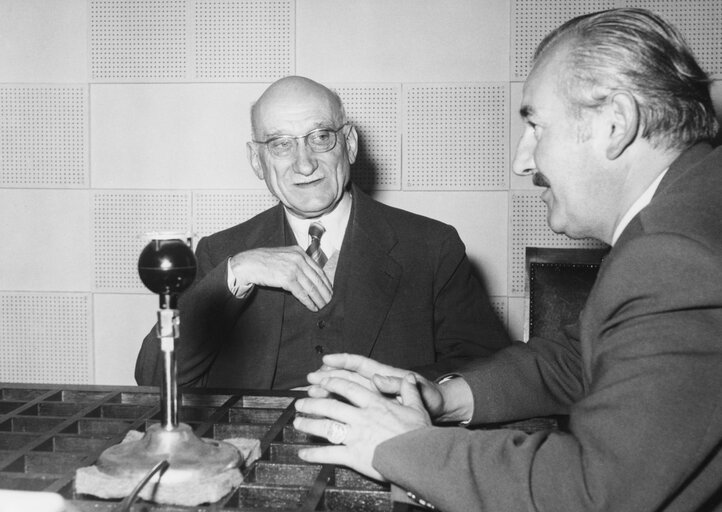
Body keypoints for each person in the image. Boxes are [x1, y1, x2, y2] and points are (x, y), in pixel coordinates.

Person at [292, 8, 722, 511]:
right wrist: (443, 397)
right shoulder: (684, 209)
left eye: (536, 126)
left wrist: (400, 446)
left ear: (616, 123)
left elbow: (594, 494)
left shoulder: (673, 254)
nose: (522, 159)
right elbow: (578, 358)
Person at [135, 75, 511, 389]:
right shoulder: (223, 253)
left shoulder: (430, 247)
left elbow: (485, 372)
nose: (304, 163)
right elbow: (154, 379)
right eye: (281, 144)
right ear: (257, 160)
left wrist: (381, 391)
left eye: (320, 137)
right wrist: (237, 274)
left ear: (348, 144)